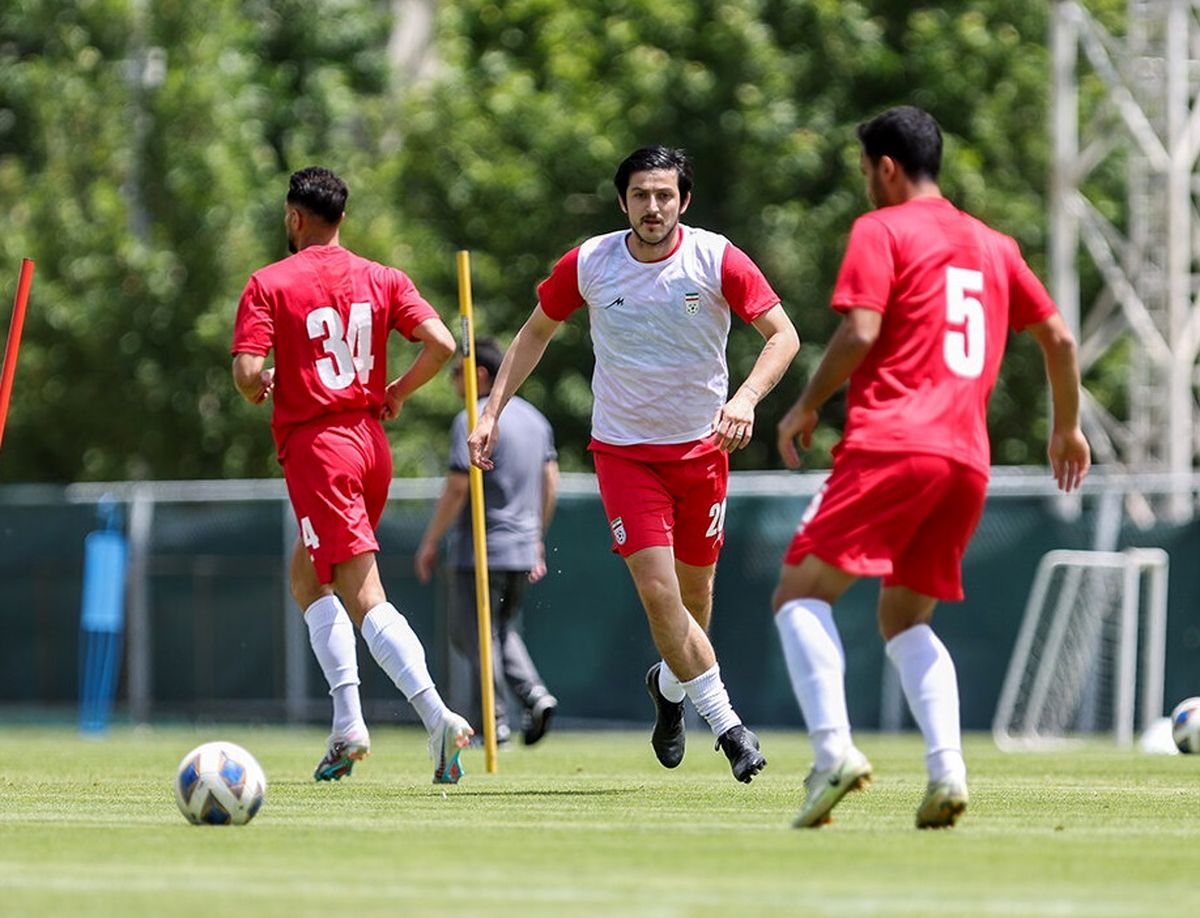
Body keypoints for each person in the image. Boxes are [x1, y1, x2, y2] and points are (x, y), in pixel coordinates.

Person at [773, 106, 1091, 829]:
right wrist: (1065, 428)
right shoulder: (994, 244)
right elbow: (1061, 338)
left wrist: (806, 405)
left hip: (893, 444)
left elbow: (860, 330)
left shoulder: (881, 230)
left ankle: (832, 756)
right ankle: (946, 773)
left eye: (865, 173)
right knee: (903, 616)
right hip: (965, 462)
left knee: (799, 594)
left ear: (885, 167)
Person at [467, 146, 800, 783]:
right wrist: (490, 412)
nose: (653, 207)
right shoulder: (591, 261)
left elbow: (783, 335)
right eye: (641, 195)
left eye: (665, 195)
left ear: (684, 201)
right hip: (624, 455)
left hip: (704, 454)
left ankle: (670, 692)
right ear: (623, 201)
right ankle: (729, 728)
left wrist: (747, 399)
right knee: (658, 593)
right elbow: (535, 331)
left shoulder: (716, 257)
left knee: (694, 603)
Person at [231, 166, 474, 786]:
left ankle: (437, 716)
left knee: (363, 593)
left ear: (294, 218)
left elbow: (246, 370)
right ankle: (347, 724)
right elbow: (444, 344)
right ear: (341, 218)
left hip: (321, 449)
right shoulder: (383, 277)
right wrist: (396, 390)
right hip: (370, 446)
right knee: (308, 578)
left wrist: (258, 383)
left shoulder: (269, 283)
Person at [415, 337, 560, 747]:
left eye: (457, 372)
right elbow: (551, 481)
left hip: (480, 550)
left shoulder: (473, 418)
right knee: (497, 631)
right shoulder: (536, 419)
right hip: (520, 549)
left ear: (481, 374)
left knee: (471, 634)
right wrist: (536, 538)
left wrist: (430, 541)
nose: (451, 380)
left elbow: (458, 487)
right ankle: (534, 695)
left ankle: (492, 721)